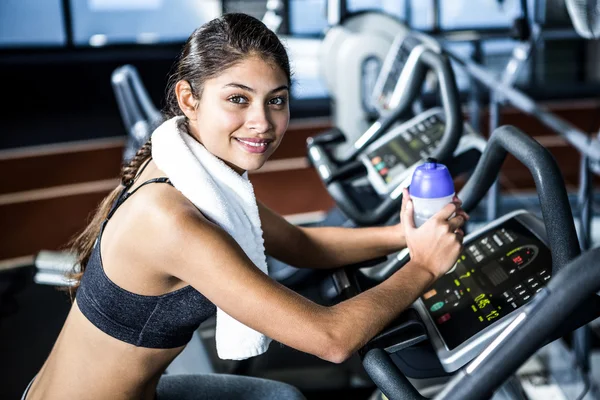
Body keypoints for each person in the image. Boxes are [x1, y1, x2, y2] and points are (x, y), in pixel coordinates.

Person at [23, 13, 467, 400]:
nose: (263, 122)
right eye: (238, 99)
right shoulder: (170, 219)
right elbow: (330, 339)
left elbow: (299, 242)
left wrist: (405, 237)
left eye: (276, 100)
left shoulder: (194, 169)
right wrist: (425, 265)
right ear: (188, 99)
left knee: (278, 396)